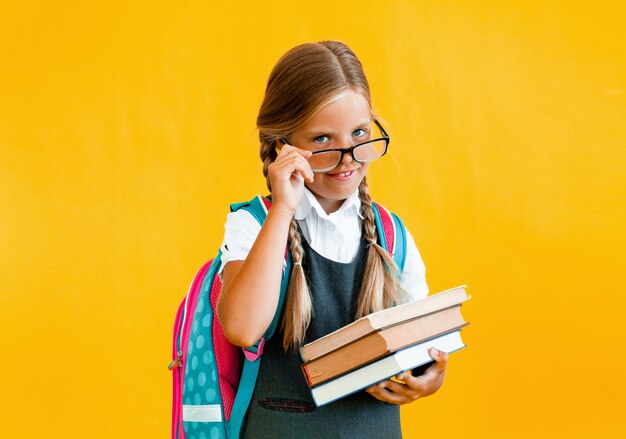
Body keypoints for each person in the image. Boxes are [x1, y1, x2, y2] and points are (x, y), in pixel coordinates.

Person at [216, 40, 449, 438]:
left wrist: (431, 376)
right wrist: (284, 208)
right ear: (281, 146)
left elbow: (422, 338)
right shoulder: (253, 225)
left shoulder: (391, 234)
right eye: (322, 140)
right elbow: (241, 328)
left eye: (359, 133)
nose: (348, 158)